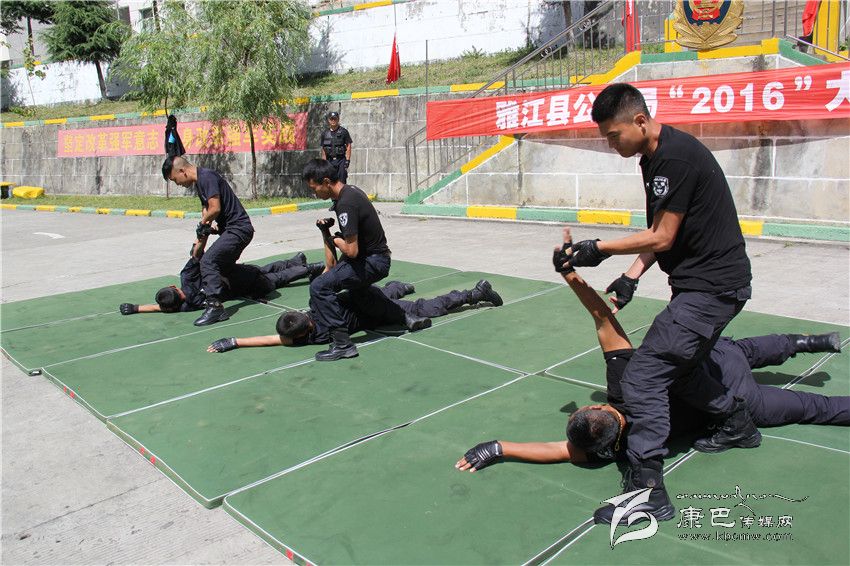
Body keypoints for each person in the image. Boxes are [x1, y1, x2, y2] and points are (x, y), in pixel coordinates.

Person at [457, 229, 847, 506]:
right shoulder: (624, 381)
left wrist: (497, 448)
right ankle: (807, 343)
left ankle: (810, 357)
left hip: (740, 403)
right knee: (739, 349)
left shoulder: (622, 447)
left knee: (816, 409)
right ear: (598, 407)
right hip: (710, 363)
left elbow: (556, 451)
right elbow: (602, 318)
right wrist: (569, 273)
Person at [561, 83, 758, 524]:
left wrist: (598, 249)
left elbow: (663, 236)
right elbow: (664, 231)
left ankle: (647, 491)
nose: (611, 145)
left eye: (614, 136)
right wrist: (631, 277)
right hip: (707, 287)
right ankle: (736, 423)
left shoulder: (675, 158)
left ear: (640, 121)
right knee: (680, 372)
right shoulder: (655, 157)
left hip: (711, 290)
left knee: (644, 376)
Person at [206, 279, 504, 353]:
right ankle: (474, 294)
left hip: (372, 305)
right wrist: (233, 341)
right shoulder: (316, 311)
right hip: (375, 307)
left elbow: (271, 340)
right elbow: (273, 338)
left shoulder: (311, 336)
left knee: (421, 306)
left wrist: (234, 341)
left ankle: (472, 294)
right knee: (414, 304)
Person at [302, 158, 391, 361]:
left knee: (319, 287)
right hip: (373, 259)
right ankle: (404, 313)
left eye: (314, 188)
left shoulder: (346, 203)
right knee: (349, 290)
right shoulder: (350, 192)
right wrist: (328, 233)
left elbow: (351, 251)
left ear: (326, 182)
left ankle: (343, 344)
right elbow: (334, 264)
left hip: (373, 262)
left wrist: (334, 239)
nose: (314, 193)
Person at [162, 155, 255, 326]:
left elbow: (214, 209)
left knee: (208, 262)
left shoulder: (206, 177)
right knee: (222, 269)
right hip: (230, 230)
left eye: (175, 180)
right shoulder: (200, 183)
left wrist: (203, 224)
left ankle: (215, 307)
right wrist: (199, 243)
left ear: (182, 171)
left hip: (238, 229)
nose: (178, 184)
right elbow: (206, 213)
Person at [119, 251, 323, 315]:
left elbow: (164, 308)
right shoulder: (187, 276)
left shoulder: (193, 303)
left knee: (276, 278)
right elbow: (197, 255)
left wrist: (136, 308)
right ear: (174, 287)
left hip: (244, 285)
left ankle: (307, 267)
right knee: (266, 270)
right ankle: (300, 263)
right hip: (238, 272)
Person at [319, 111, 353, 184]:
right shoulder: (324, 133)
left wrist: (347, 160)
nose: (333, 120)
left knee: (342, 181)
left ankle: (342, 192)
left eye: (335, 119)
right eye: (331, 119)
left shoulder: (344, 132)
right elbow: (324, 150)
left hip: (341, 160)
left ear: (338, 119)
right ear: (328, 120)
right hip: (329, 161)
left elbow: (348, 146)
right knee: (330, 182)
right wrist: (324, 163)